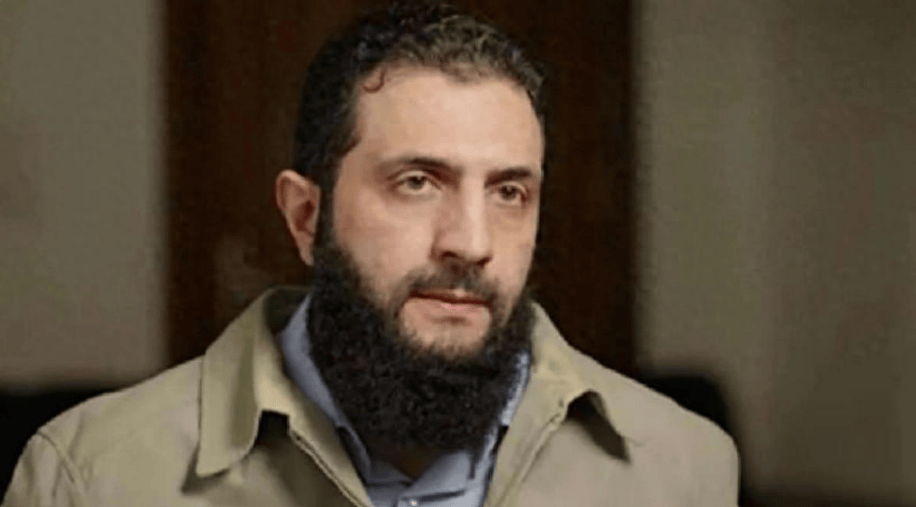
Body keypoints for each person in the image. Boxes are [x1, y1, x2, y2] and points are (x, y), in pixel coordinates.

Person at [2, 2, 739, 506]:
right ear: (305, 217)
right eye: (417, 182)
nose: (472, 243)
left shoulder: (682, 469)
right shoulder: (92, 478)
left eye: (509, 192)